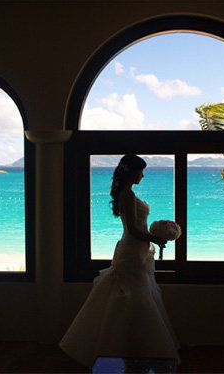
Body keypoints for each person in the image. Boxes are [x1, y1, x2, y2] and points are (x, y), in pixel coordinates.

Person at [59, 154, 180, 368]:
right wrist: (156, 237)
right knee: (137, 299)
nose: (142, 175)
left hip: (137, 252)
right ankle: (133, 352)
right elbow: (133, 230)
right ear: (132, 172)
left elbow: (136, 227)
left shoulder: (127, 194)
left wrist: (153, 234)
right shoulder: (128, 195)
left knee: (137, 299)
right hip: (131, 253)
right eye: (140, 171)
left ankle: (133, 351)